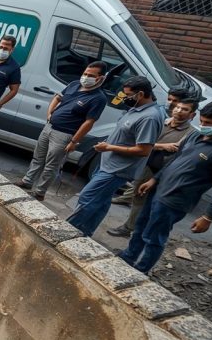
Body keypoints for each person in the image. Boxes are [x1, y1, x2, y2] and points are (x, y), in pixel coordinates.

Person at [118, 100, 212, 273]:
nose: (203, 125)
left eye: (209, 123)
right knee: (140, 226)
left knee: (154, 237)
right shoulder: (195, 135)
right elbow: (175, 159)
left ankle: (141, 269)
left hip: (176, 199)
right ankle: (128, 257)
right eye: (202, 121)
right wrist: (154, 180)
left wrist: (208, 216)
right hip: (158, 190)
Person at [65, 76, 163, 236]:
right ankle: (84, 234)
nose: (125, 98)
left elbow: (144, 150)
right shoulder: (137, 108)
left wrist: (109, 147)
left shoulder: (150, 117)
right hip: (108, 163)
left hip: (118, 169)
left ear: (140, 94)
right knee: (101, 202)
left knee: (87, 198)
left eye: (128, 95)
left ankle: (67, 233)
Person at [16, 62, 109, 201]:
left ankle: (39, 192)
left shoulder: (98, 98)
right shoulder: (74, 84)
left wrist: (74, 141)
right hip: (49, 127)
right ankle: (27, 181)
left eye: (91, 75)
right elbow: (57, 97)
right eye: (85, 73)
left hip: (65, 135)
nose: (86, 77)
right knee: (38, 157)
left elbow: (89, 122)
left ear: (100, 78)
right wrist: (49, 114)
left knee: (51, 165)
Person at [106, 98, 198, 237]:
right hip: (144, 163)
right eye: (177, 107)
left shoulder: (190, 134)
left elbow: (177, 153)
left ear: (192, 115)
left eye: (185, 109)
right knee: (139, 196)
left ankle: (129, 228)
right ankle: (134, 226)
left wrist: (151, 146)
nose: (179, 111)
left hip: (161, 170)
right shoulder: (161, 122)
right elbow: (141, 142)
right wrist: (160, 146)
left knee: (144, 200)